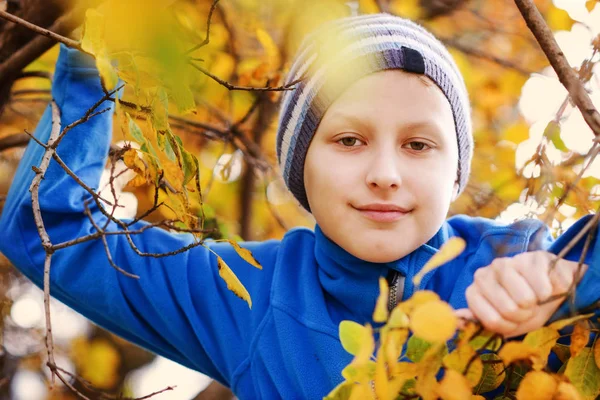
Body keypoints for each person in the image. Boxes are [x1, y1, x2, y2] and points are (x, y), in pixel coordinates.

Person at [0, 13, 598, 399]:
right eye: (348, 140)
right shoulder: (242, 293)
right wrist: (93, 53)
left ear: (455, 170)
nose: (385, 174)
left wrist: (570, 281)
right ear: (299, 168)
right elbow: (46, 228)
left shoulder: (514, 259)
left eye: (419, 145)